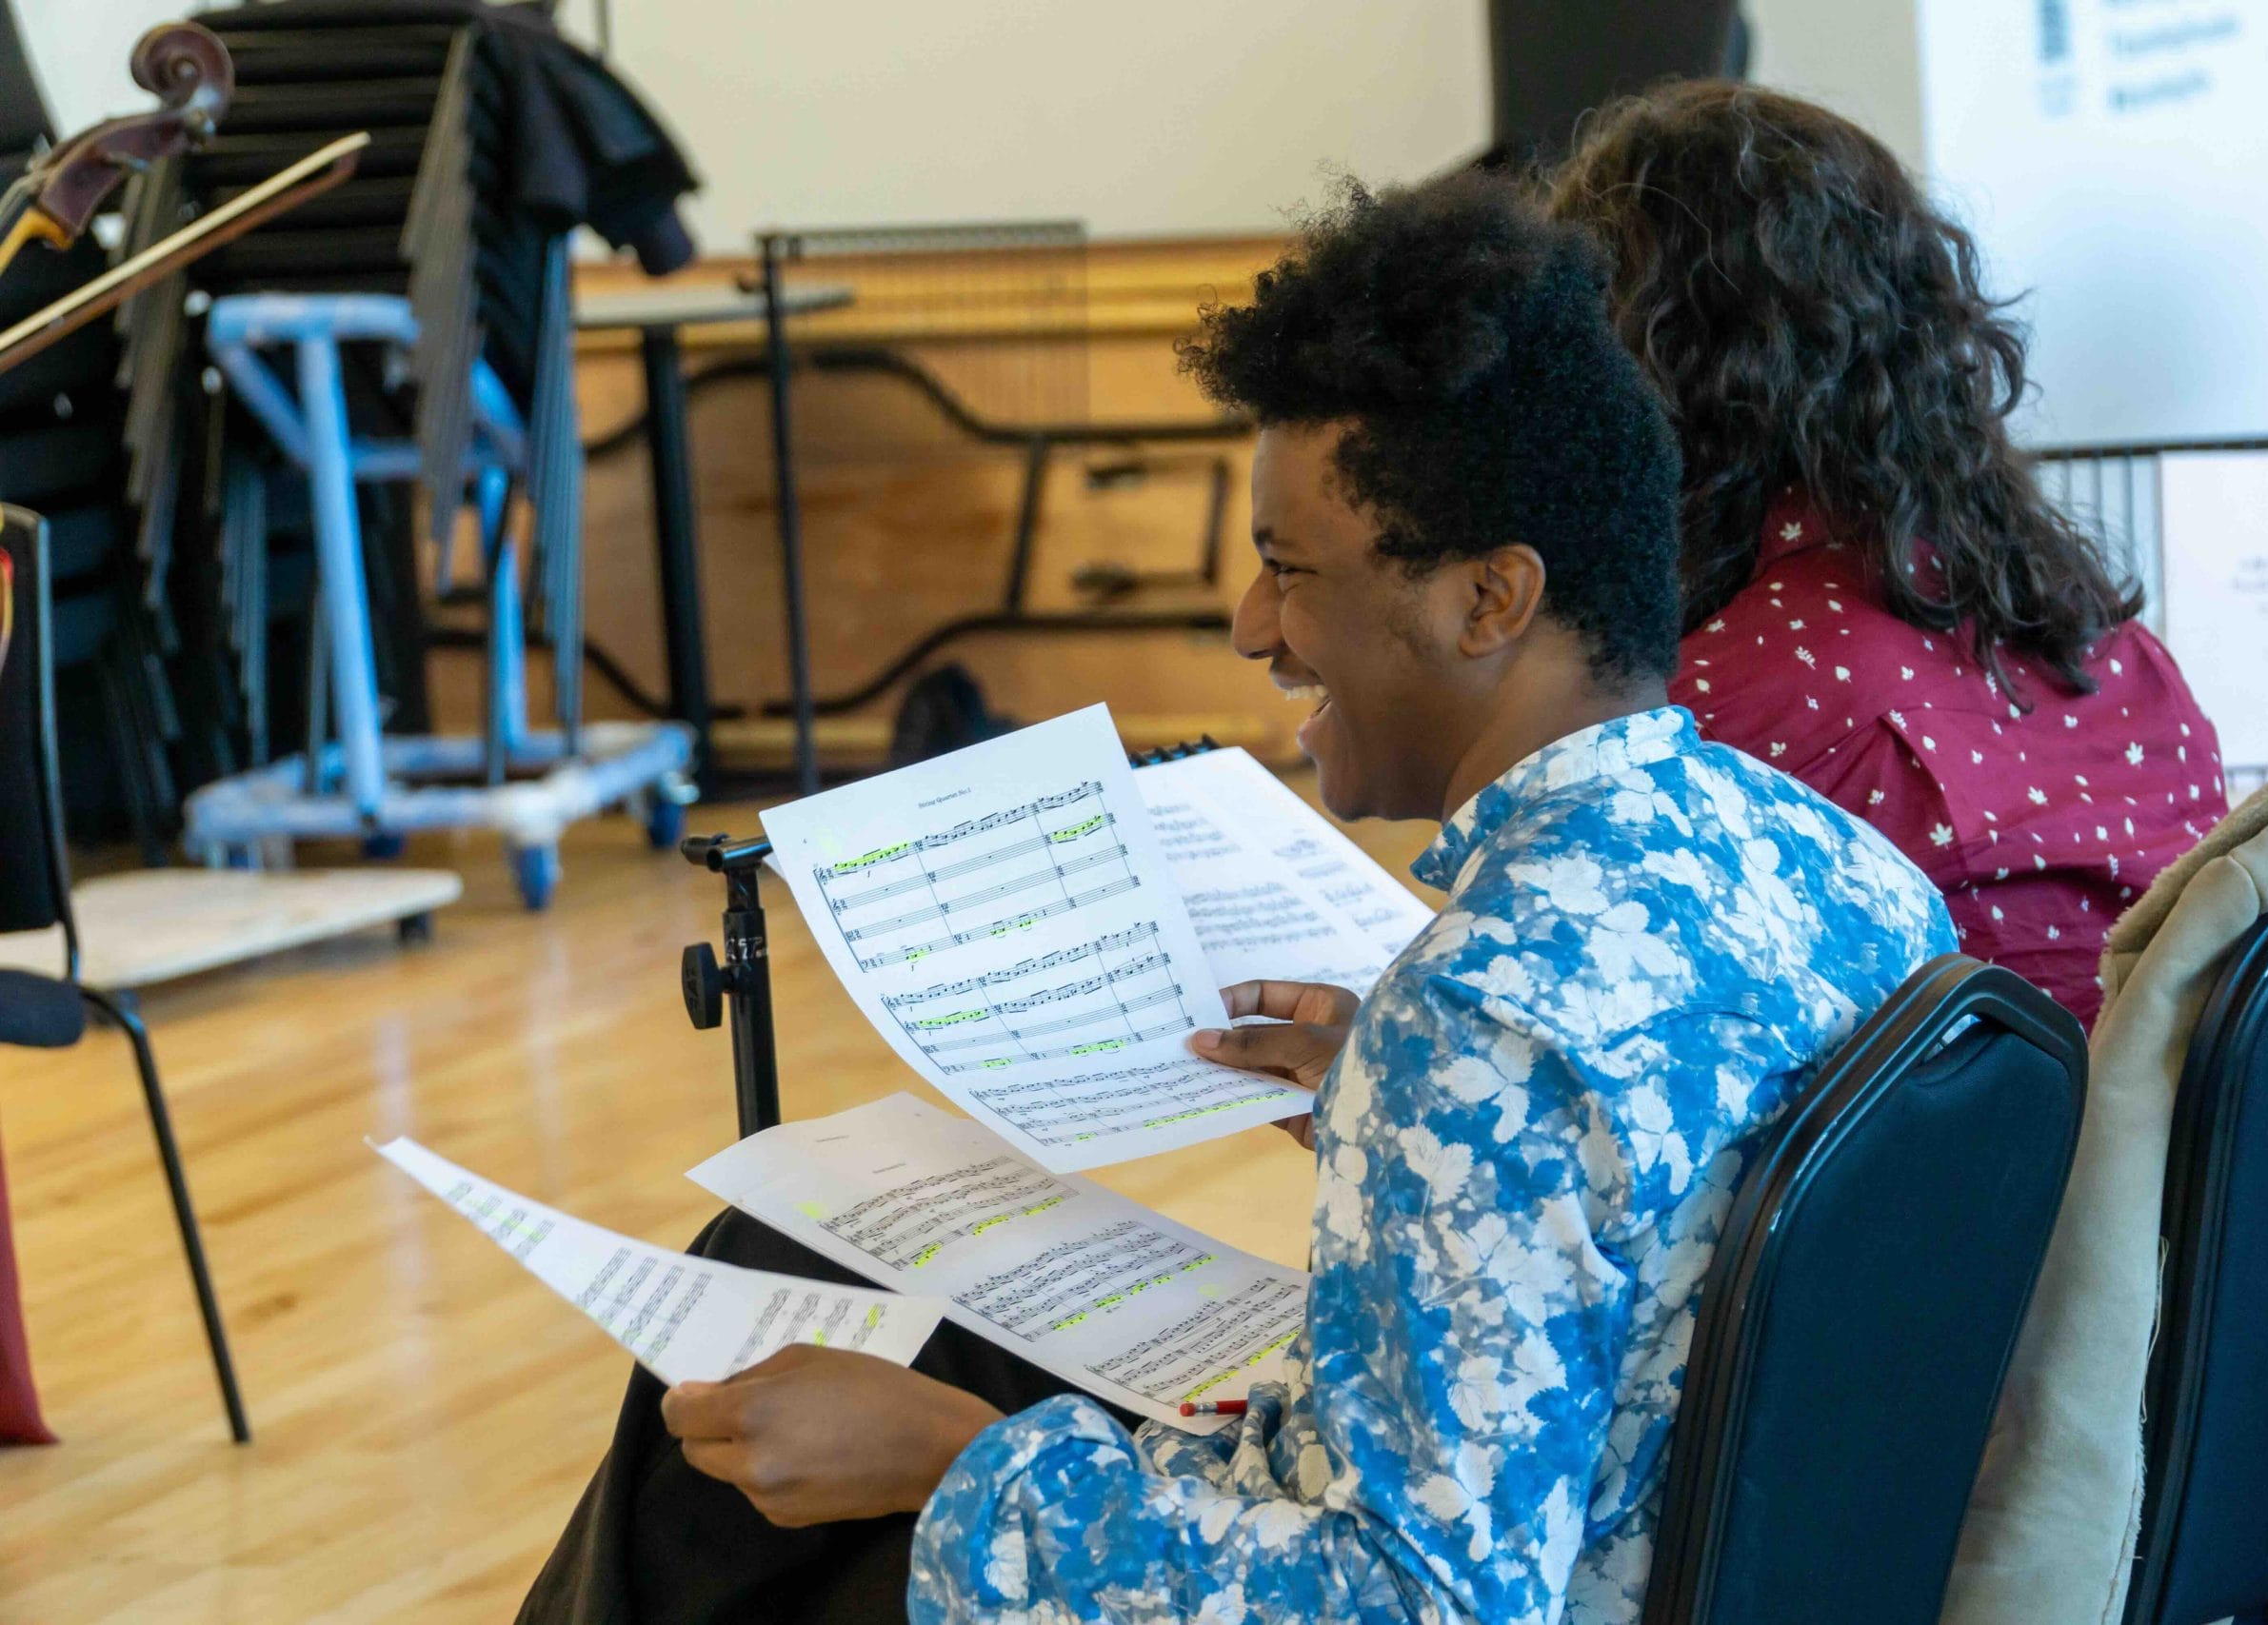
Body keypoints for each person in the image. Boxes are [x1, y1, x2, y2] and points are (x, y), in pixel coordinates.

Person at [523, 172, 1954, 1625]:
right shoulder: (1845, 870)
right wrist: (1385, 1114)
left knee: (771, 1483)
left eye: (1289, 569)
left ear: (1491, 599)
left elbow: (1411, 1604)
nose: (1250, 625)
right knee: (796, 1255)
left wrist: (950, 1459)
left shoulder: (1483, 1022)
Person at [1544, 81, 2227, 1028]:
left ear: (1631, 377)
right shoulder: (2122, 660)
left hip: (1979, 1135)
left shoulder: (1700, 727)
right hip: (2158, 1121)